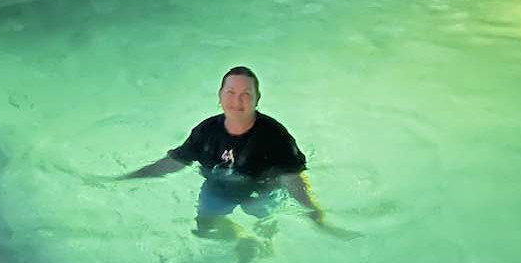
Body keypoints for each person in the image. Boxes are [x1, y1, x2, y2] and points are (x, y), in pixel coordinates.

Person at [117, 66, 359, 245]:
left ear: (257, 99)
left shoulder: (275, 136)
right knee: (204, 228)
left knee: (262, 217)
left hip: (263, 191)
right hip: (219, 186)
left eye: (246, 94)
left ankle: (264, 241)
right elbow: (174, 162)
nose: (237, 101)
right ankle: (244, 241)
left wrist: (314, 212)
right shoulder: (205, 131)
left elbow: (293, 178)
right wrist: (130, 177)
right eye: (231, 92)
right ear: (220, 96)